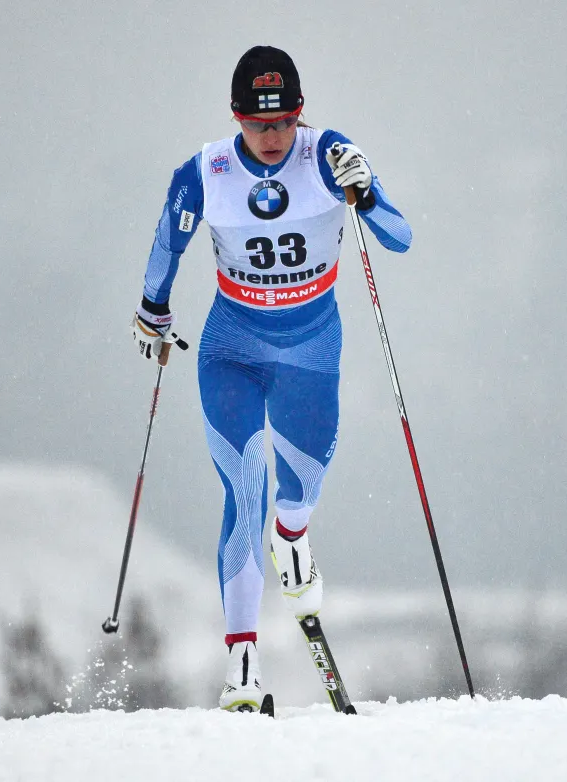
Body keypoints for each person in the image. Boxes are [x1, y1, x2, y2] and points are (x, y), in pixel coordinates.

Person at [131, 45, 411, 711]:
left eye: (285, 121)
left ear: (300, 114)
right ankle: (243, 670)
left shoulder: (329, 155)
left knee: (297, 495)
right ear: (236, 119)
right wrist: (153, 310)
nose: (273, 136)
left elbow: (397, 238)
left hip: (311, 354)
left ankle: (294, 538)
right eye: (259, 125)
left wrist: (364, 193)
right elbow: (167, 243)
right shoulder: (207, 171)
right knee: (244, 488)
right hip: (232, 348)